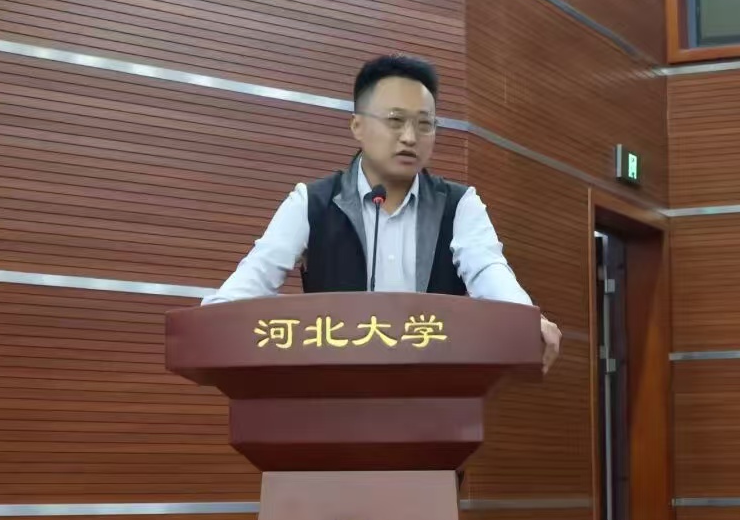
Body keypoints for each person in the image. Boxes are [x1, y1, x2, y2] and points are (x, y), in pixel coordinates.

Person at [202, 54, 562, 374]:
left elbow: (487, 268)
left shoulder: (458, 205)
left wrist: (523, 316)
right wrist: (210, 320)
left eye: (424, 124)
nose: (410, 137)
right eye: (395, 120)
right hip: (333, 397)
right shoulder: (311, 202)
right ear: (357, 126)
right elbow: (256, 275)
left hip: (434, 397)